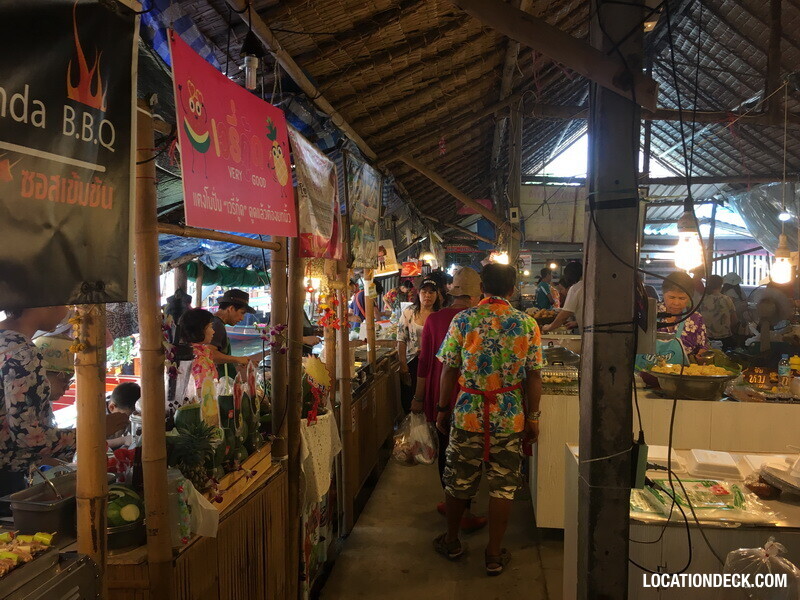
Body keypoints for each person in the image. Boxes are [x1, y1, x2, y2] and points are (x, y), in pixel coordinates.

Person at [434, 264, 543, 576]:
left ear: (482, 287)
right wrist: (533, 417)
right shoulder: (526, 324)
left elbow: (449, 369)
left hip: (468, 412)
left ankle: (451, 540)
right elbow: (534, 376)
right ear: (512, 290)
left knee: (458, 479)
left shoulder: (464, 319)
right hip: (510, 416)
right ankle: (493, 554)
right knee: (504, 486)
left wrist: (443, 409)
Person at [0, 307, 124, 496]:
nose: (67, 312)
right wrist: (97, 430)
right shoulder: (21, 351)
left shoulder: (6, 340)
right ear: (45, 301)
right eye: (65, 304)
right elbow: (30, 438)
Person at [411, 267, 485, 531]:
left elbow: (424, 362)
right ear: (477, 296)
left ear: (451, 292)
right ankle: (463, 508)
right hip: (470, 393)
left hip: (438, 390)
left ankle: (450, 500)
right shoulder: (480, 319)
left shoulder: (434, 320)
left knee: (445, 447)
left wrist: (418, 398)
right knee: (470, 450)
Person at [397, 278, 441, 412]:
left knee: (430, 399)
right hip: (412, 362)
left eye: (431, 292)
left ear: (437, 295)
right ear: (419, 293)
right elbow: (401, 339)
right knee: (409, 399)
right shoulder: (409, 313)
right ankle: (412, 431)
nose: (427, 295)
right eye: (424, 292)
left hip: (433, 364)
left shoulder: (440, 314)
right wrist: (403, 365)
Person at [209, 289, 263, 379]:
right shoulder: (217, 325)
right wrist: (237, 359)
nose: (242, 318)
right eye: (242, 313)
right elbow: (210, 354)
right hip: (219, 382)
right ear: (231, 309)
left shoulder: (214, 322)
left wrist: (240, 360)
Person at [179, 308, 218, 392]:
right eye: (210, 327)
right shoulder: (197, 357)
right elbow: (202, 391)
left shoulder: (201, 351)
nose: (213, 331)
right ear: (199, 329)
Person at [699, 274, 738, 349]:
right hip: (726, 339)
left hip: (706, 339)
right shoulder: (726, 299)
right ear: (721, 285)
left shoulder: (700, 300)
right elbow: (734, 320)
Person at [543, 262, 583, 333]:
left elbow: (565, 314)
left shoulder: (576, 288)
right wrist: (577, 323)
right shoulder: (589, 285)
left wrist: (549, 327)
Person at [107, 382, 140, 449]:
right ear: (112, 407)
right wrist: (122, 440)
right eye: (126, 417)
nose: (128, 422)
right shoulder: (97, 416)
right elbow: (90, 442)